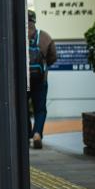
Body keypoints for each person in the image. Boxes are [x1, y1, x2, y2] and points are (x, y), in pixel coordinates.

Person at [28, 9, 57, 149]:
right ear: (34, 20)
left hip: (22, 81)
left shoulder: (16, 35)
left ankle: (26, 134)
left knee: (22, 108)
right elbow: (53, 57)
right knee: (40, 109)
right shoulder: (44, 36)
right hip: (40, 79)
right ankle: (37, 134)